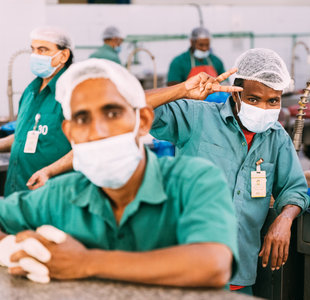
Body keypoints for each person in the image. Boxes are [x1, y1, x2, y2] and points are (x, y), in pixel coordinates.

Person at [0, 59, 238, 287]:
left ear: (143, 120)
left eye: (112, 114)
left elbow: (213, 264)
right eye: (82, 119)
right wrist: (11, 247)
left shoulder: (193, 181)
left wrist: (85, 262)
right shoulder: (61, 195)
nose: (98, 130)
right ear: (70, 132)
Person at [149, 48, 310, 295]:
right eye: (254, 99)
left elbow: (294, 188)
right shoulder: (196, 117)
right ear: (235, 94)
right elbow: (129, 109)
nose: (264, 108)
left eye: (273, 101)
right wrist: (182, 90)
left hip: (238, 273)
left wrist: (285, 218)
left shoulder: (276, 138)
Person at [0, 26, 74, 196]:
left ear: (63, 55)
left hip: (51, 195)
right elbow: (24, 134)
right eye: (33, 50)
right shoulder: (30, 90)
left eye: (43, 50)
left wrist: (49, 171)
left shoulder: (73, 92)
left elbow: (87, 147)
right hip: (17, 192)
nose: (35, 56)